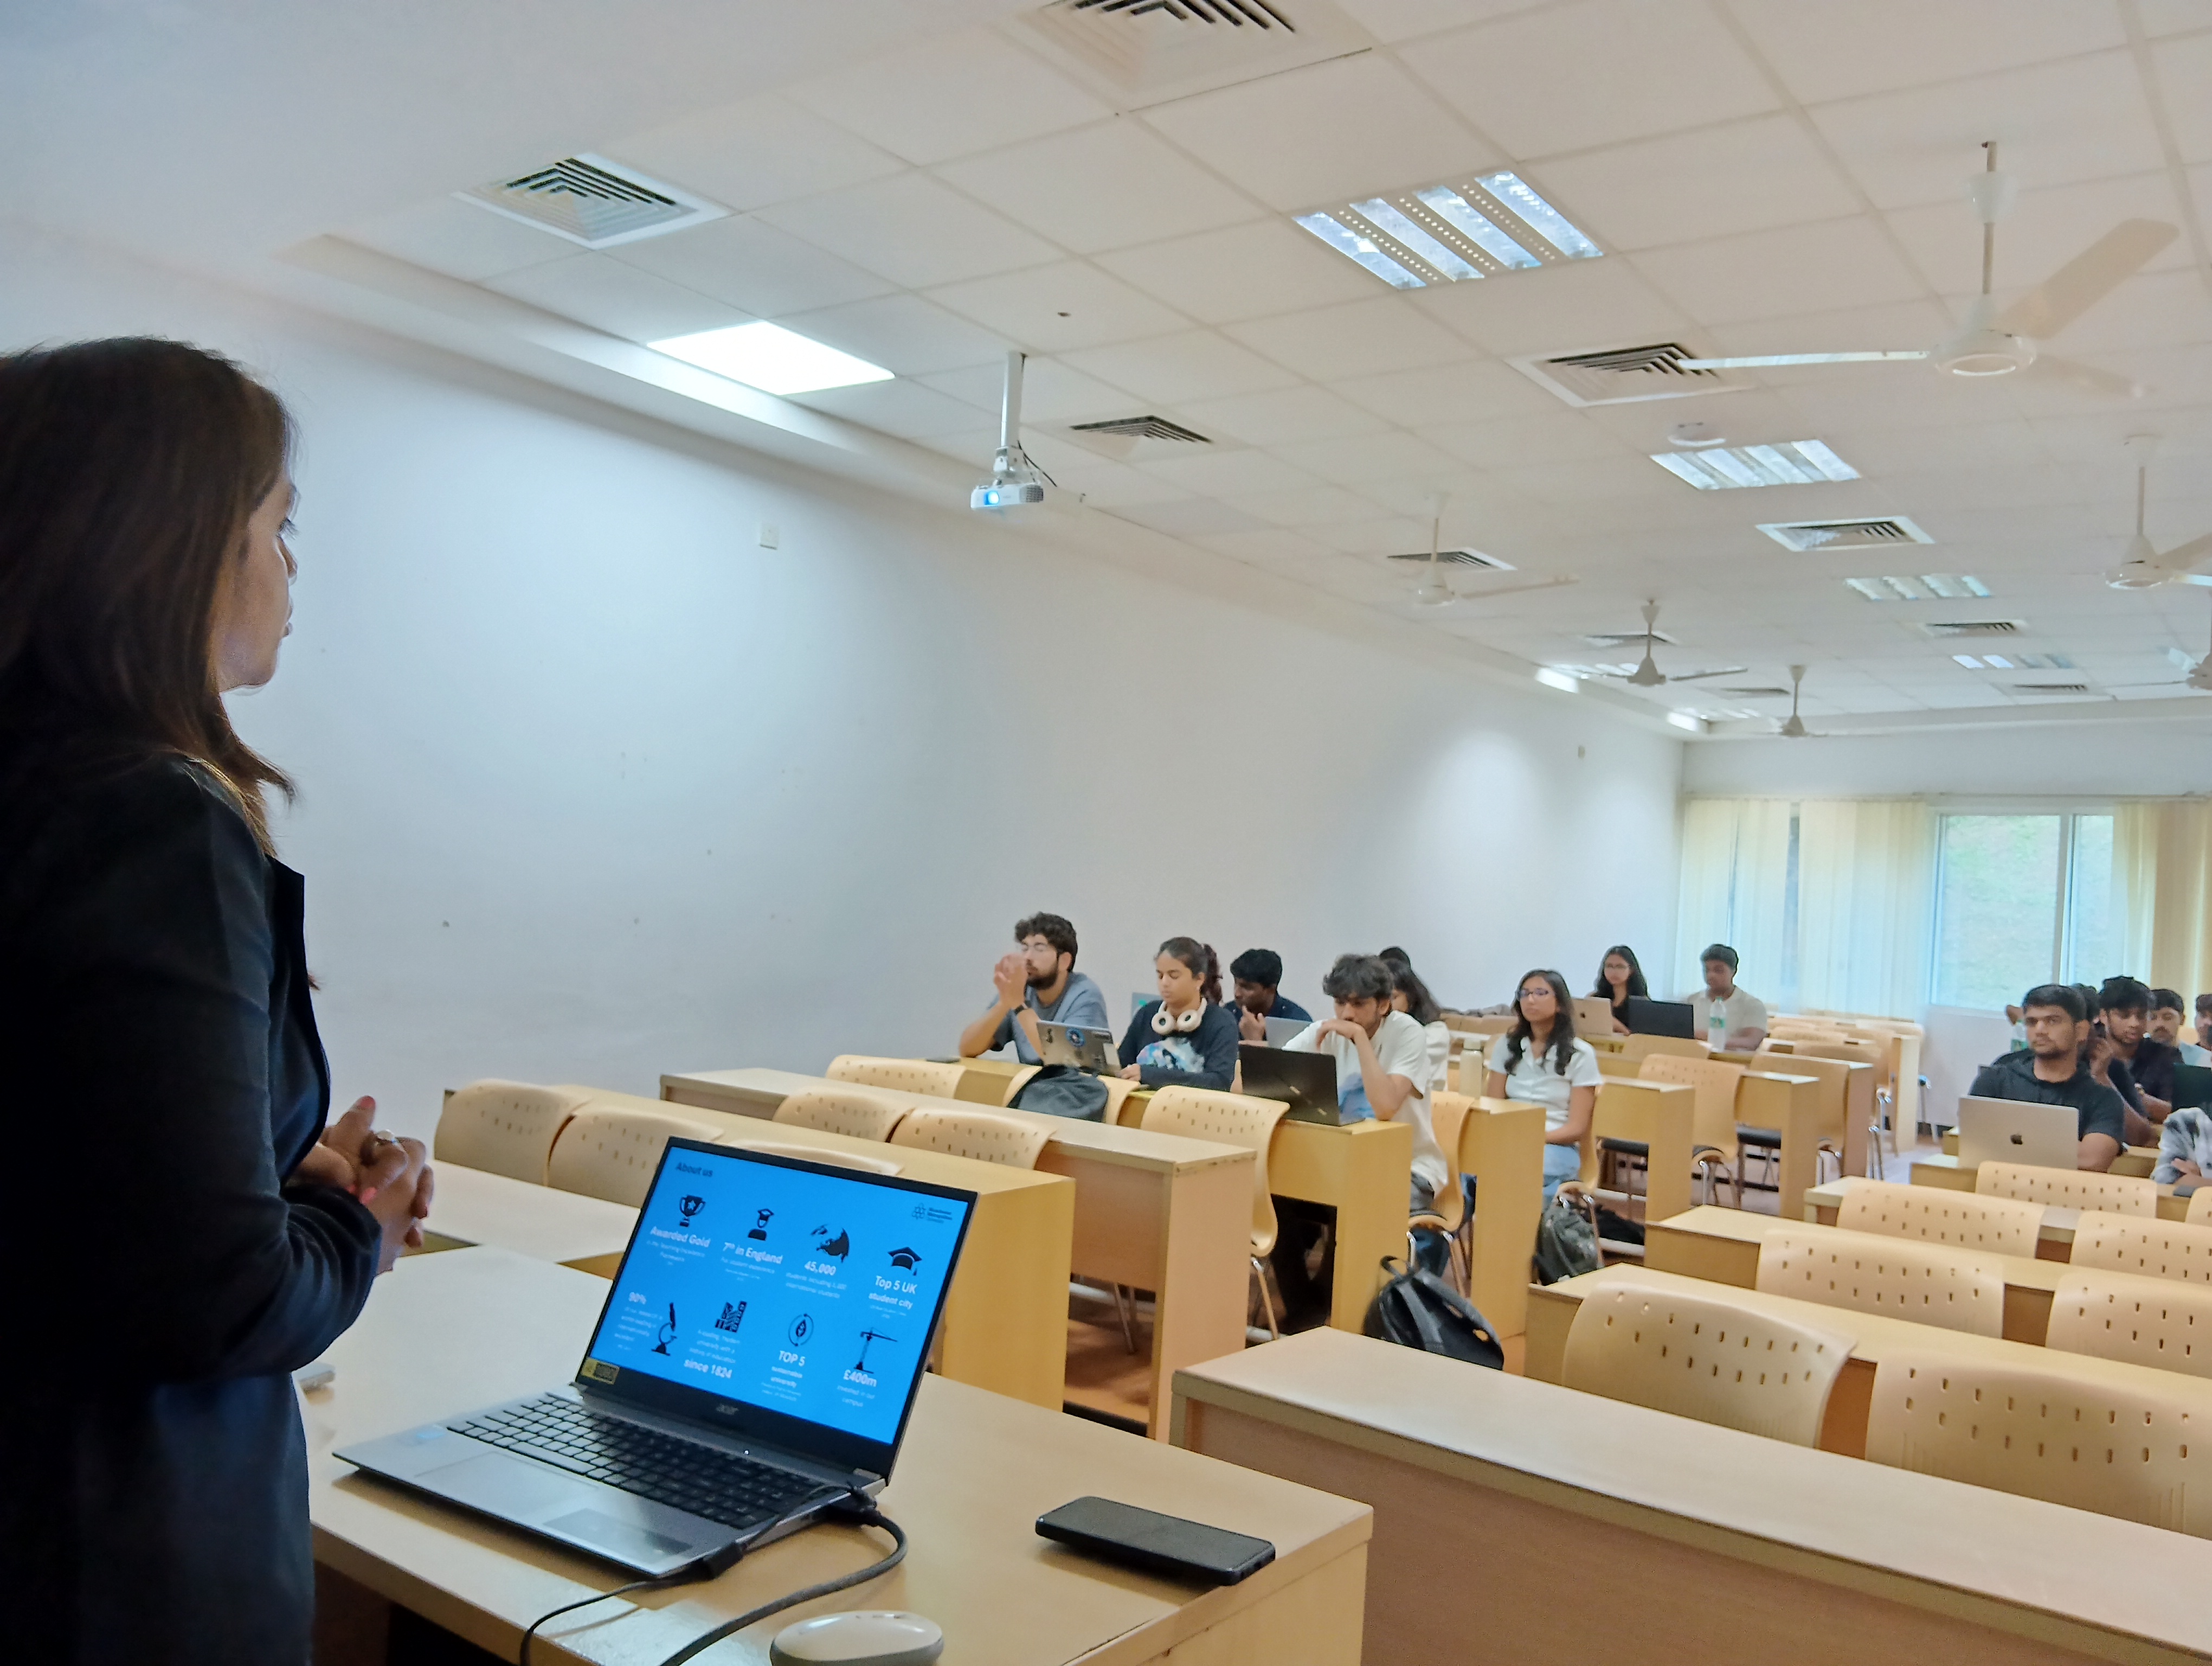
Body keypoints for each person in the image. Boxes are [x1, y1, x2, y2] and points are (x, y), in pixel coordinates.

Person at [0, 338, 434, 1665]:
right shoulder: (153, 817)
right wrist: (352, 1221)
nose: (291, 570)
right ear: (171, 544)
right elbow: (215, 1302)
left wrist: (252, 1172)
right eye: (277, 526)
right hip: (111, 1552)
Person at [1285, 954, 1450, 1210]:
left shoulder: (1408, 1033)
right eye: (1340, 1003)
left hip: (1409, 1167)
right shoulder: (1326, 1031)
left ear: (1383, 1005)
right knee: (1285, 1189)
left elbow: (1385, 1108)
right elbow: (1271, 1073)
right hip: (1344, 1161)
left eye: (1358, 1004)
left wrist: (1360, 1040)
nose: (1347, 1014)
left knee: (1359, 1200)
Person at [1967, 984, 2126, 1172]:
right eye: (2032, 1022)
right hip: (1997, 1185)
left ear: (2081, 1030)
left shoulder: (2103, 1099)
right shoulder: (1995, 1080)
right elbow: (1974, 1144)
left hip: (2066, 1189)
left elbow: (2092, 1160)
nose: (2040, 1030)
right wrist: (2062, 1146)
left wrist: (2014, 1139)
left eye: (2053, 1021)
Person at [1485, 969, 1604, 1204]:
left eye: (1540, 993)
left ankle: (1530, 1224)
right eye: (1525, 993)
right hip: (1509, 1140)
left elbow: (1577, 1127)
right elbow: (1492, 1107)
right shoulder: (1507, 1046)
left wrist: (1534, 1138)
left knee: (1518, 1169)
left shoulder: (1580, 1054)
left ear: (1560, 1004)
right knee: (1469, 1167)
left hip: (1557, 1145)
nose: (1531, 999)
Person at [957, 911, 1109, 1066]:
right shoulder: (1020, 989)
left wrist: (1019, 1005)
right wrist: (1004, 1003)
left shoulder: (1085, 995)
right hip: (1033, 1080)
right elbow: (967, 1049)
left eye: (1039, 949)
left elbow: (1067, 1061)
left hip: (1072, 1081)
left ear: (1064, 961)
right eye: (1024, 948)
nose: (1027, 957)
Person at [1118, 937, 1239, 1091]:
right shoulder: (1147, 1014)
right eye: (1160, 976)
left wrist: (1150, 1075)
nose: (1165, 983)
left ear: (1199, 979)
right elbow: (1120, 1064)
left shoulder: (1221, 1022)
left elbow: (1219, 1082)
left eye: (1174, 976)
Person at [2101, 976, 2175, 1129]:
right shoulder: (2089, 1052)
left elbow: (2175, 1112)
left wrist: (2135, 1096)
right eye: (2124, 1016)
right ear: (2103, 1016)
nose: (2134, 1024)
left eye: (2141, 1016)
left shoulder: (2165, 1055)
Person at [1380, 949, 1452, 1094]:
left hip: (1429, 1105)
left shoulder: (1435, 1032)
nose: (1385, 1005)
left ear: (1411, 997)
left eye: (1393, 997)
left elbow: (1394, 1068)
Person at [1680, 944, 1767, 1052]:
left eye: (1718, 970)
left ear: (1733, 971)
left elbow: (1752, 1042)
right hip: (1694, 1057)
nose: (1711, 975)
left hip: (1733, 1059)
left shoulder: (1752, 1005)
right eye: (1707, 970)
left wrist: (1711, 1040)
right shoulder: (1691, 1001)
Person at [1228, 947, 1311, 1043]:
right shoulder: (1227, 1015)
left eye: (1247, 987)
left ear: (1271, 990)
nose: (1237, 993)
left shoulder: (1298, 1024)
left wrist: (1255, 1041)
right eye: (1236, 983)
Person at [1591, 944, 1649, 1036]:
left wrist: (1616, 1025)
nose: (1614, 972)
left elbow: (1641, 1038)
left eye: (1620, 967)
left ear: (1631, 970)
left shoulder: (1642, 1003)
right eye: (1609, 966)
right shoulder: (1594, 999)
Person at [2151, 987, 2209, 1066]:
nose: (2159, 1024)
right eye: (2152, 1018)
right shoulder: (2135, 1054)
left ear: (2182, 1019)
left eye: (2168, 1017)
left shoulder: (2204, 1058)